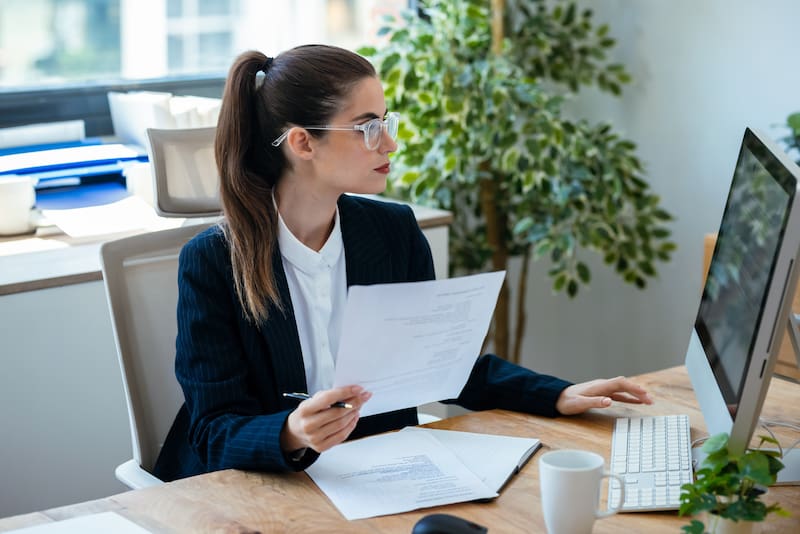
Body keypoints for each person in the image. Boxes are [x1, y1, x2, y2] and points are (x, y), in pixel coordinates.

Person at [153, 44, 653, 482]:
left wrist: (558, 395)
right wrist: (290, 432)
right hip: (261, 487)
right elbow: (212, 429)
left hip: (376, 473)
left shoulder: (391, 232)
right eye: (367, 128)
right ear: (303, 142)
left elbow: (437, 363)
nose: (389, 143)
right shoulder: (214, 261)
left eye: (385, 122)